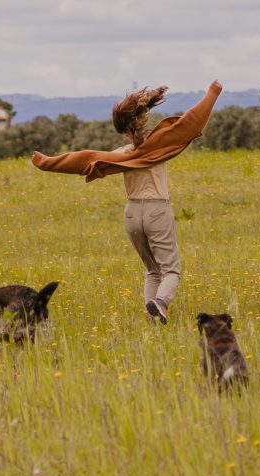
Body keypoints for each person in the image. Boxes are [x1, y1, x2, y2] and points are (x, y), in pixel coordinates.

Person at [28, 80, 222, 322]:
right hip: (157, 211)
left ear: (124, 129)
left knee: (152, 270)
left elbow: (84, 160)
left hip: (132, 214)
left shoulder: (122, 154)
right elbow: (189, 124)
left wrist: (45, 162)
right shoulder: (158, 148)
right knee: (171, 270)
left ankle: (153, 321)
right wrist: (213, 93)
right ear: (143, 124)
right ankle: (161, 303)